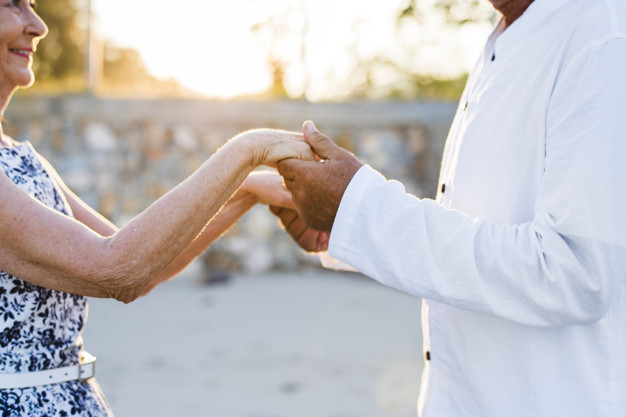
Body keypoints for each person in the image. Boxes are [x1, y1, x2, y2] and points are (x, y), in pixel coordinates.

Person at [272, 0, 626, 415]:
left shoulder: (601, 34)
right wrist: (345, 226)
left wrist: (360, 209)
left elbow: (574, 271)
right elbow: (481, 223)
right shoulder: (508, 33)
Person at [0, 1, 314, 416]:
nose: (37, 26)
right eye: (12, 4)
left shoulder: (18, 155)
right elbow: (117, 269)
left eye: (34, 6)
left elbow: (142, 261)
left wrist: (246, 188)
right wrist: (246, 150)